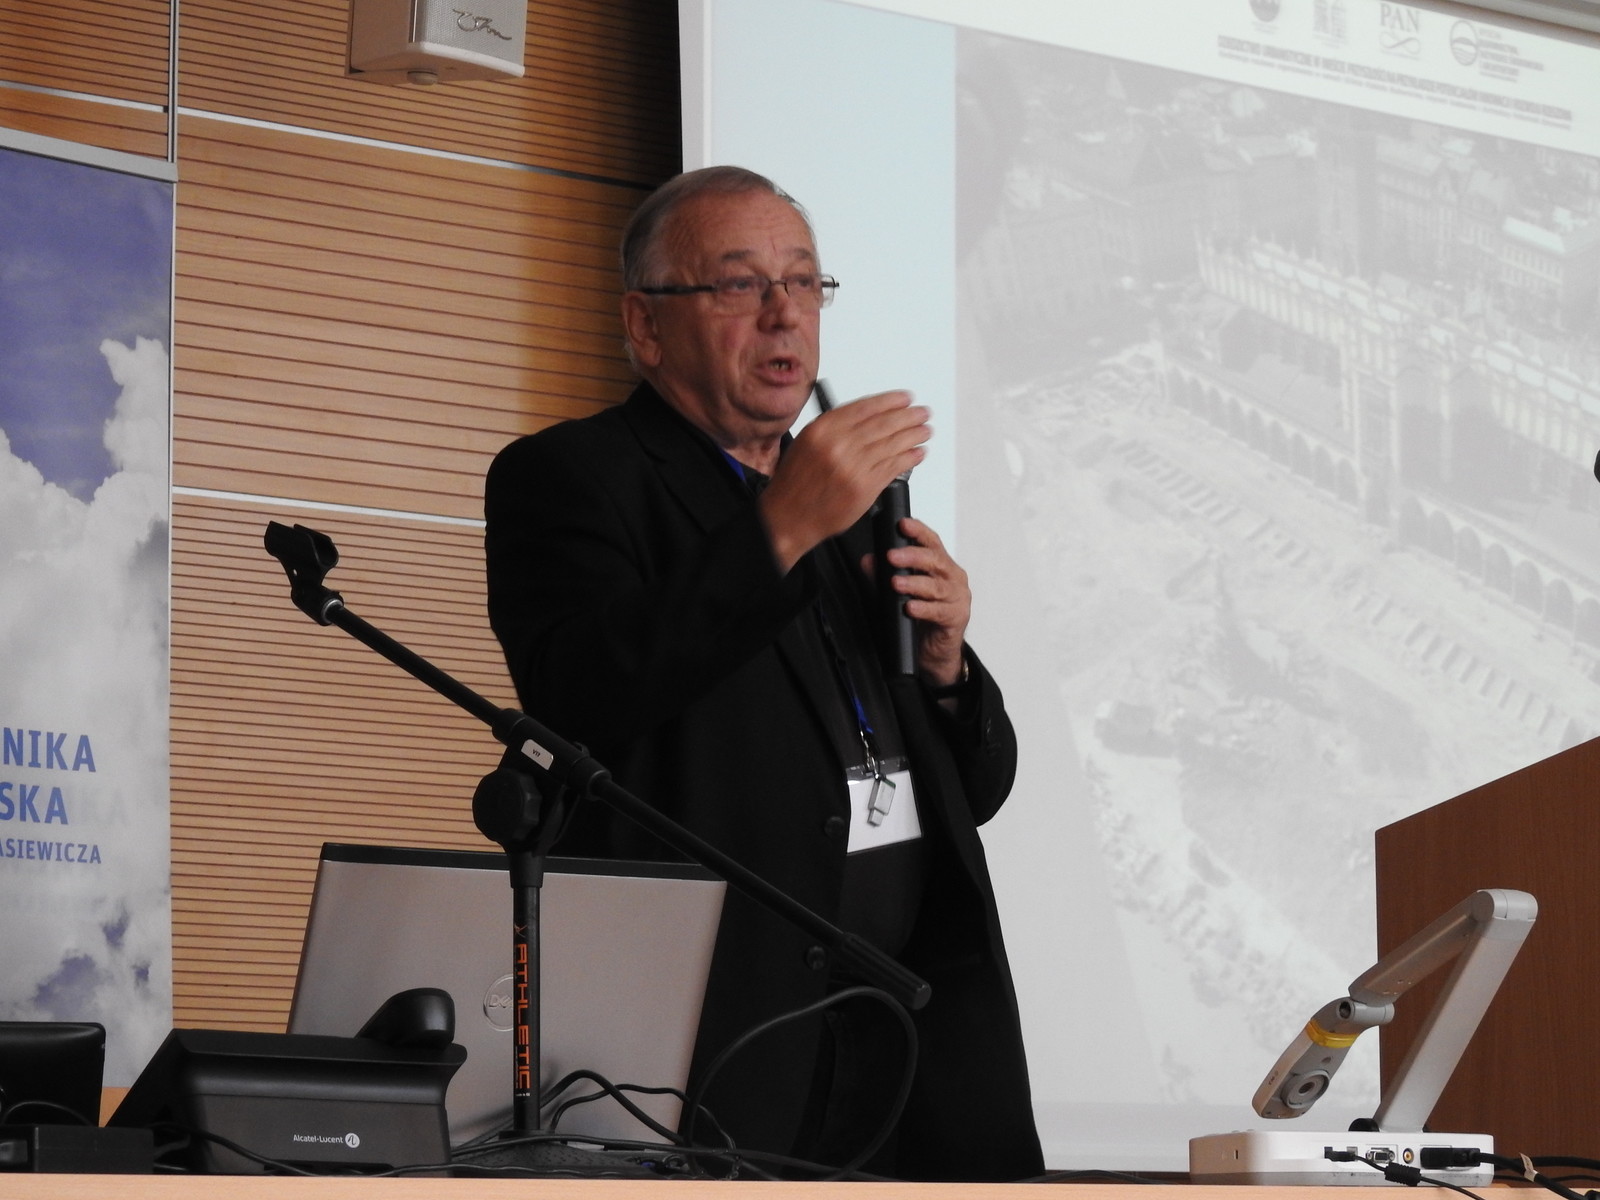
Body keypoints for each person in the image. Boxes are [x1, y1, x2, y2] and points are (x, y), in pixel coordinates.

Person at [484, 165, 1042, 1181]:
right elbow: (585, 690)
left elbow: (978, 790)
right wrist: (779, 529)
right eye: (740, 284)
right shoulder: (572, 478)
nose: (785, 313)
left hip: (898, 1034)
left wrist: (946, 665)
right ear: (647, 325)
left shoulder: (851, 507)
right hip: (718, 1038)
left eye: (805, 282)